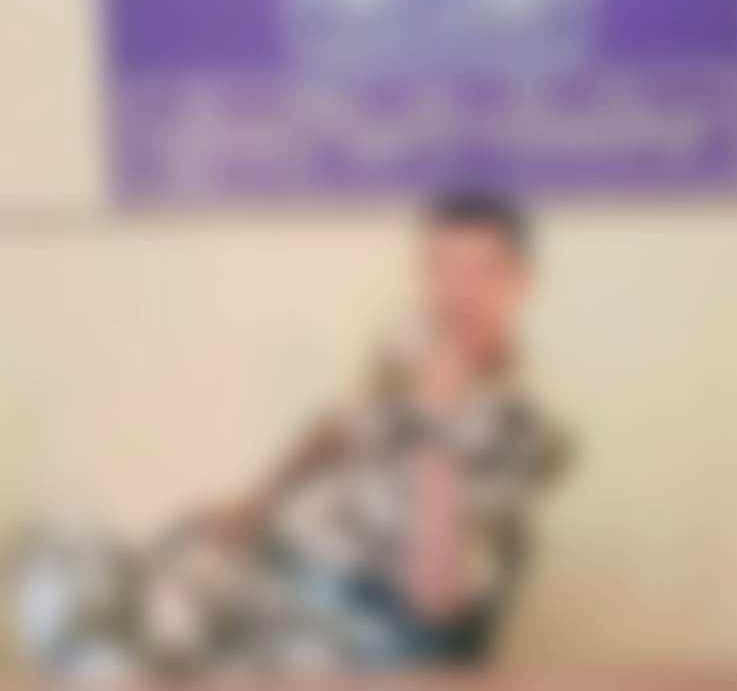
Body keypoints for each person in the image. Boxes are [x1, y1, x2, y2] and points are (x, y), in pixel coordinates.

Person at [194, 191, 573, 667]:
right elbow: (340, 426)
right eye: (441, 270)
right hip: (305, 581)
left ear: (521, 281)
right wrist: (257, 503)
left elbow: (437, 605)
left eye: (481, 270)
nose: (457, 292)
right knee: (168, 596)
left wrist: (438, 424)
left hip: (372, 637)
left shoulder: (527, 429)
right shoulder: (409, 348)